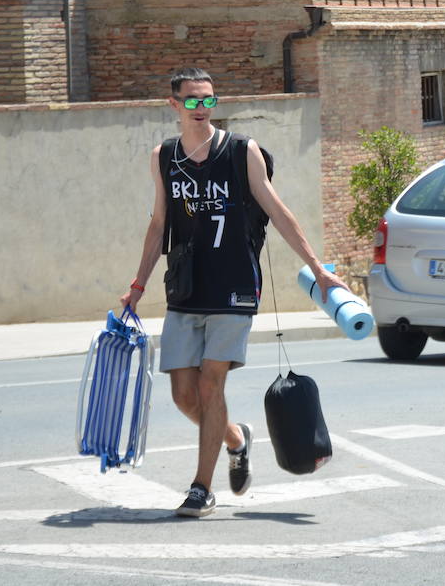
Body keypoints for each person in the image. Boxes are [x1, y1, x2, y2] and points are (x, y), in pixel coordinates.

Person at [120, 67, 345, 518]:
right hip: (185, 287)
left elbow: (277, 211)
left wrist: (317, 268)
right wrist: (137, 285)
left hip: (234, 288)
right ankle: (236, 439)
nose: (201, 108)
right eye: (192, 100)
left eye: (208, 100)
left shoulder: (243, 152)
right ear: (174, 104)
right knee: (184, 395)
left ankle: (201, 489)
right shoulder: (163, 156)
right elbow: (159, 224)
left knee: (210, 382)